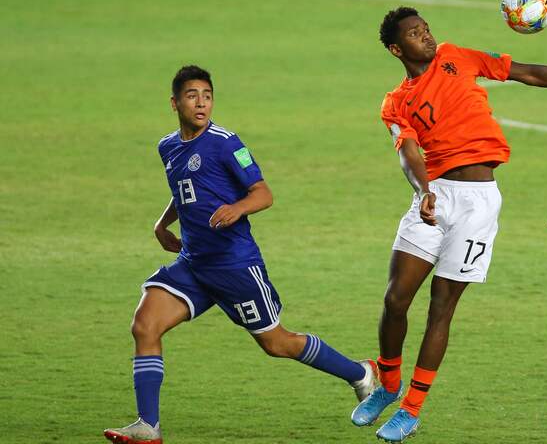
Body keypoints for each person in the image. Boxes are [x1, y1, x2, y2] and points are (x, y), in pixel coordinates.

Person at [350, 7, 547, 443]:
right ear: (397, 49)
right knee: (395, 299)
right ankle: (388, 383)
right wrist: (423, 190)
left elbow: (528, 73)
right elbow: (407, 152)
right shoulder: (396, 102)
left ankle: (411, 407)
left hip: (478, 203)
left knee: (440, 307)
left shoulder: (456, 56)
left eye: (426, 29)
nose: (427, 37)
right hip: (434, 196)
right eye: (415, 34)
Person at [104, 65, 376, 444]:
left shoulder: (226, 143)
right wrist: (162, 224)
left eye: (207, 96)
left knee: (276, 343)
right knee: (144, 325)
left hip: (235, 265)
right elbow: (185, 187)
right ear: (174, 102)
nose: (201, 103)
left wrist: (239, 208)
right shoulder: (168, 146)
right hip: (194, 263)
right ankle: (148, 426)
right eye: (192, 95)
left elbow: (263, 193)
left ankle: (359, 373)